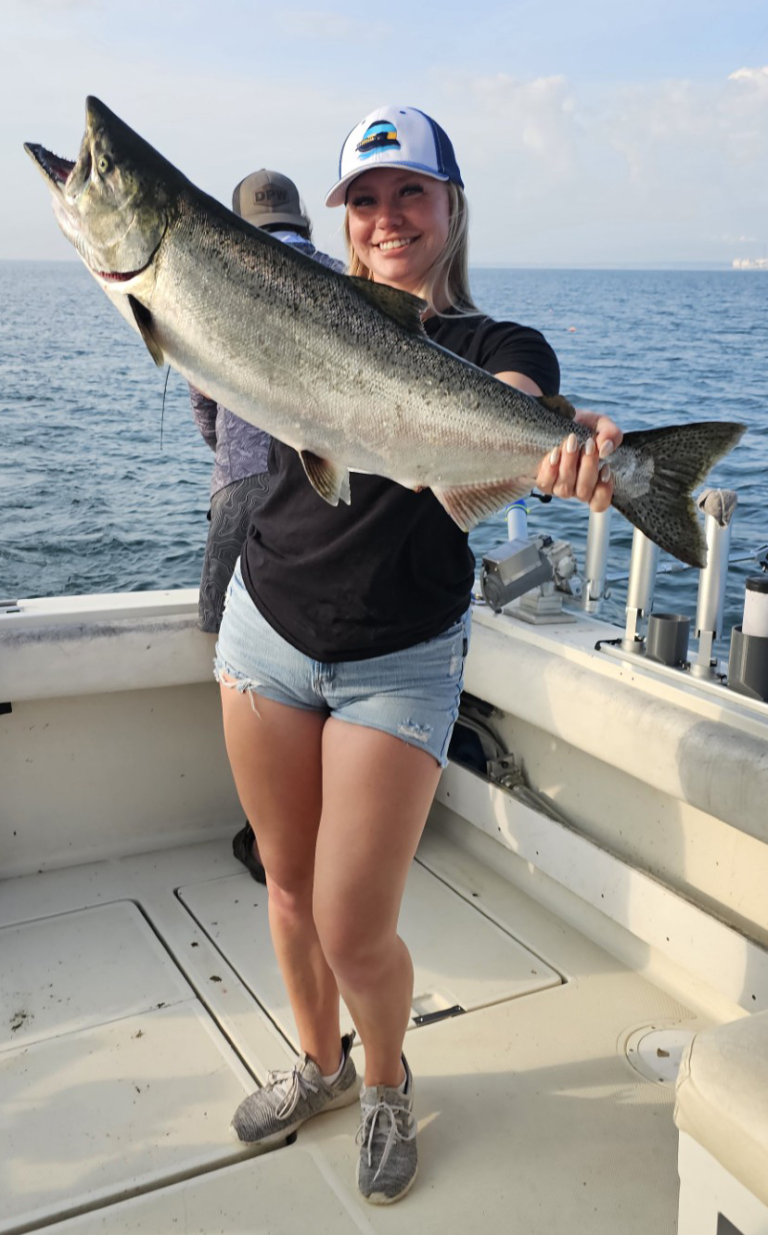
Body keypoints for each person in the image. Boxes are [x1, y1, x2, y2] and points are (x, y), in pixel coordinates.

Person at [216, 106, 622, 1203]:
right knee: (288, 887)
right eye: (365, 197)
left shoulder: (498, 345)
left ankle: (387, 1078)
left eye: (411, 193)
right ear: (340, 217)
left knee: (355, 919)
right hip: (267, 624)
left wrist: (563, 453)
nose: (388, 216)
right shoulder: (297, 312)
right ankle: (321, 1064)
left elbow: (523, 408)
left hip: (399, 655)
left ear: (451, 208)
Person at [190, 169, 345, 884]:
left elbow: (204, 405)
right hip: (317, 494)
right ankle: (332, 835)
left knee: (249, 676)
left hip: (237, 489)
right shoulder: (341, 277)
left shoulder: (211, 283)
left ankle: (269, 837)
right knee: (324, 663)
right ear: (305, 221)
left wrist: (232, 450)